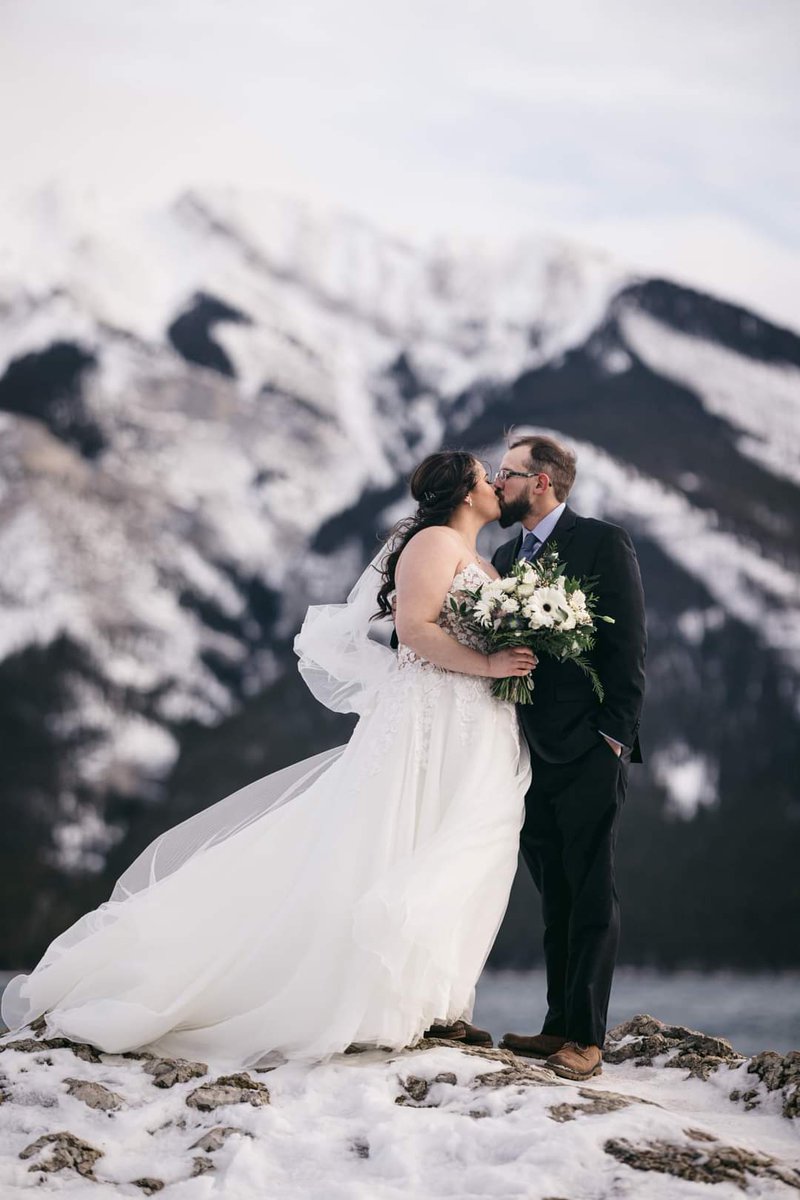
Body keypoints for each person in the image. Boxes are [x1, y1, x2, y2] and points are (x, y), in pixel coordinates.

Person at [1, 452, 534, 1069]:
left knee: (459, 846)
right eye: (485, 476)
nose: (497, 483)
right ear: (464, 494)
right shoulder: (434, 544)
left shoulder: (480, 558)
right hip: (432, 719)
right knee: (404, 842)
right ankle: (393, 1004)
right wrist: (491, 664)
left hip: (473, 721)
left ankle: (437, 1002)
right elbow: (414, 630)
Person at [492, 433, 647, 1082]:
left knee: (589, 891)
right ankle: (557, 1022)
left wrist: (612, 735)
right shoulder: (502, 556)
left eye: (508, 473)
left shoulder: (601, 543)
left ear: (544, 482)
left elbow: (629, 645)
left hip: (587, 748)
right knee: (552, 888)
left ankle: (587, 1038)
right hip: (522, 753)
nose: (498, 484)